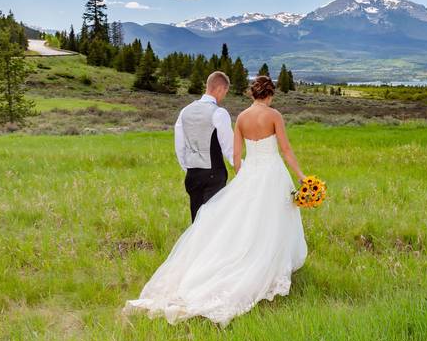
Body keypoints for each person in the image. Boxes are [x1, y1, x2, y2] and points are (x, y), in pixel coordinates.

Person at [124, 75, 308, 326]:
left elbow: (235, 155)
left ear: (253, 94)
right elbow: (285, 150)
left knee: (242, 221)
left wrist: (244, 177)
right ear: (270, 94)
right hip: (272, 174)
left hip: (248, 173)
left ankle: (233, 260)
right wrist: (302, 177)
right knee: (273, 220)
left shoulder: (241, 118)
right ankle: (267, 265)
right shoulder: (274, 115)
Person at [174, 71, 234, 223]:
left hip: (192, 175)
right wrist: (243, 168)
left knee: (196, 222)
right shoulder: (219, 113)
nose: (224, 96)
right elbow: (229, 148)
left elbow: (179, 146)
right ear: (220, 89)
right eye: (225, 92)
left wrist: (188, 168)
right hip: (214, 174)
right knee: (213, 223)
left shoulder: (184, 111)